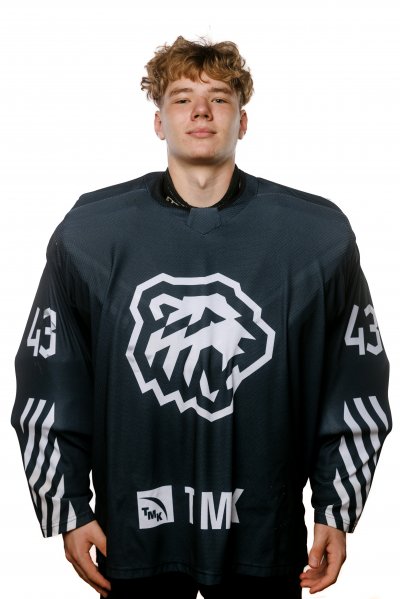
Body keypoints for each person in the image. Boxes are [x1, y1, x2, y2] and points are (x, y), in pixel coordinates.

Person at [11, 35, 391, 599]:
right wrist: (66, 506)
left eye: (218, 98)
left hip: (263, 536)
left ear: (243, 120)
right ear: (159, 122)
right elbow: (51, 380)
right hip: (134, 533)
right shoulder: (90, 234)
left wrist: (336, 507)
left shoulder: (317, 237)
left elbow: (354, 381)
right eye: (182, 98)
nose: (201, 112)